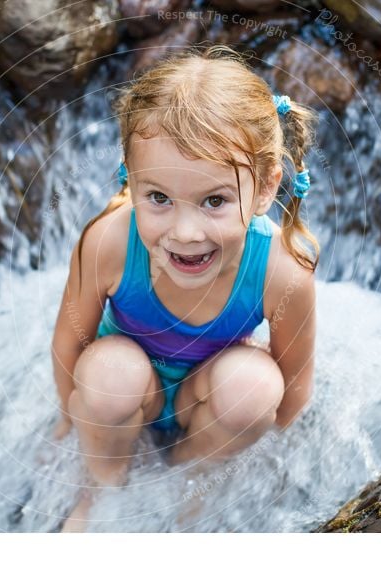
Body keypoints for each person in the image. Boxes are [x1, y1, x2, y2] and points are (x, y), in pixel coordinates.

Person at [50, 44, 318, 532]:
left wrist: (270, 452)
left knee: (255, 387)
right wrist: (74, 421)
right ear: (130, 182)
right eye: (158, 198)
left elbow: (295, 387)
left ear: (263, 189)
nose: (185, 232)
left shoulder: (283, 270)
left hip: (208, 398)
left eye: (214, 200)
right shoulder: (109, 241)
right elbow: (70, 341)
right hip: (126, 387)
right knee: (110, 374)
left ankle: (190, 485)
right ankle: (101, 486)